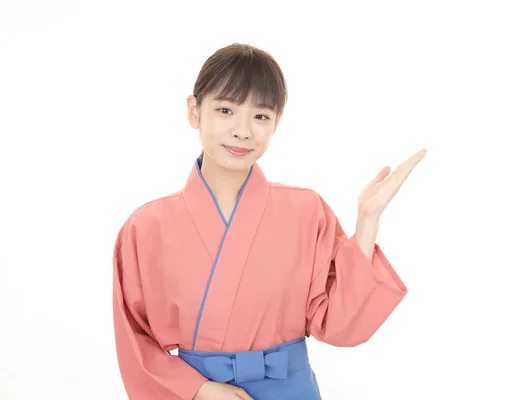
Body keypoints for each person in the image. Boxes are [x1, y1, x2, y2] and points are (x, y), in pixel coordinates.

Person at [112, 42, 427, 400]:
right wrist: (199, 389)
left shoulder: (308, 211)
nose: (243, 131)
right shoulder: (146, 226)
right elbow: (133, 339)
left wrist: (367, 221)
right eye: (225, 110)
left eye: (260, 116)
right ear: (194, 111)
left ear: (277, 121)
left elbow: (341, 326)